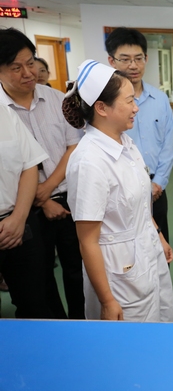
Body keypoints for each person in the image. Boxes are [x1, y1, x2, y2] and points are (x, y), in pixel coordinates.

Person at [64, 60, 173, 322]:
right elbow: (87, 241)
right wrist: (107, 300)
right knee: (131, 337)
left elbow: (139, 204)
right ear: (101, 108)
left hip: (147, 252)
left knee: (160, 321)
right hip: (118, 274)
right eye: (129, 101)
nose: (136, 107)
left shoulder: (126, 142)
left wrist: (158, 235)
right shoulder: (89, 162)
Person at [0, 28, 85, 319]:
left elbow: (74, 146)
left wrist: (48, 188)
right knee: (39, 278)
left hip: (69, 199)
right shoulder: (3, 111)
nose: (28, 73)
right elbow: (16, 167)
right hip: (27, 211)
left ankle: (79, 323)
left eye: (31, 63)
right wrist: (42, 200)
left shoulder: (58, 99)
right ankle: (56, 325)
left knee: (77, 269)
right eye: (16, 68)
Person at [105, 27, 173, 321]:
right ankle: (127, 305)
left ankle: (163, 301)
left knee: (160, 246)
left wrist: (159, 183)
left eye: (139, 58)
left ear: (146, 59)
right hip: (120, 191)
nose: (133, 65)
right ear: (111, 60)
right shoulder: (104, 104)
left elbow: (169, 144)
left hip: (155, 188)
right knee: (126, 251)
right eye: (125, 58)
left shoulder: (159, 98)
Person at [0, 103, 53, 319]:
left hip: (19, 222)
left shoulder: (5, 113)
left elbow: (30, 166)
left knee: (35, 305)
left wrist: (19, 218)